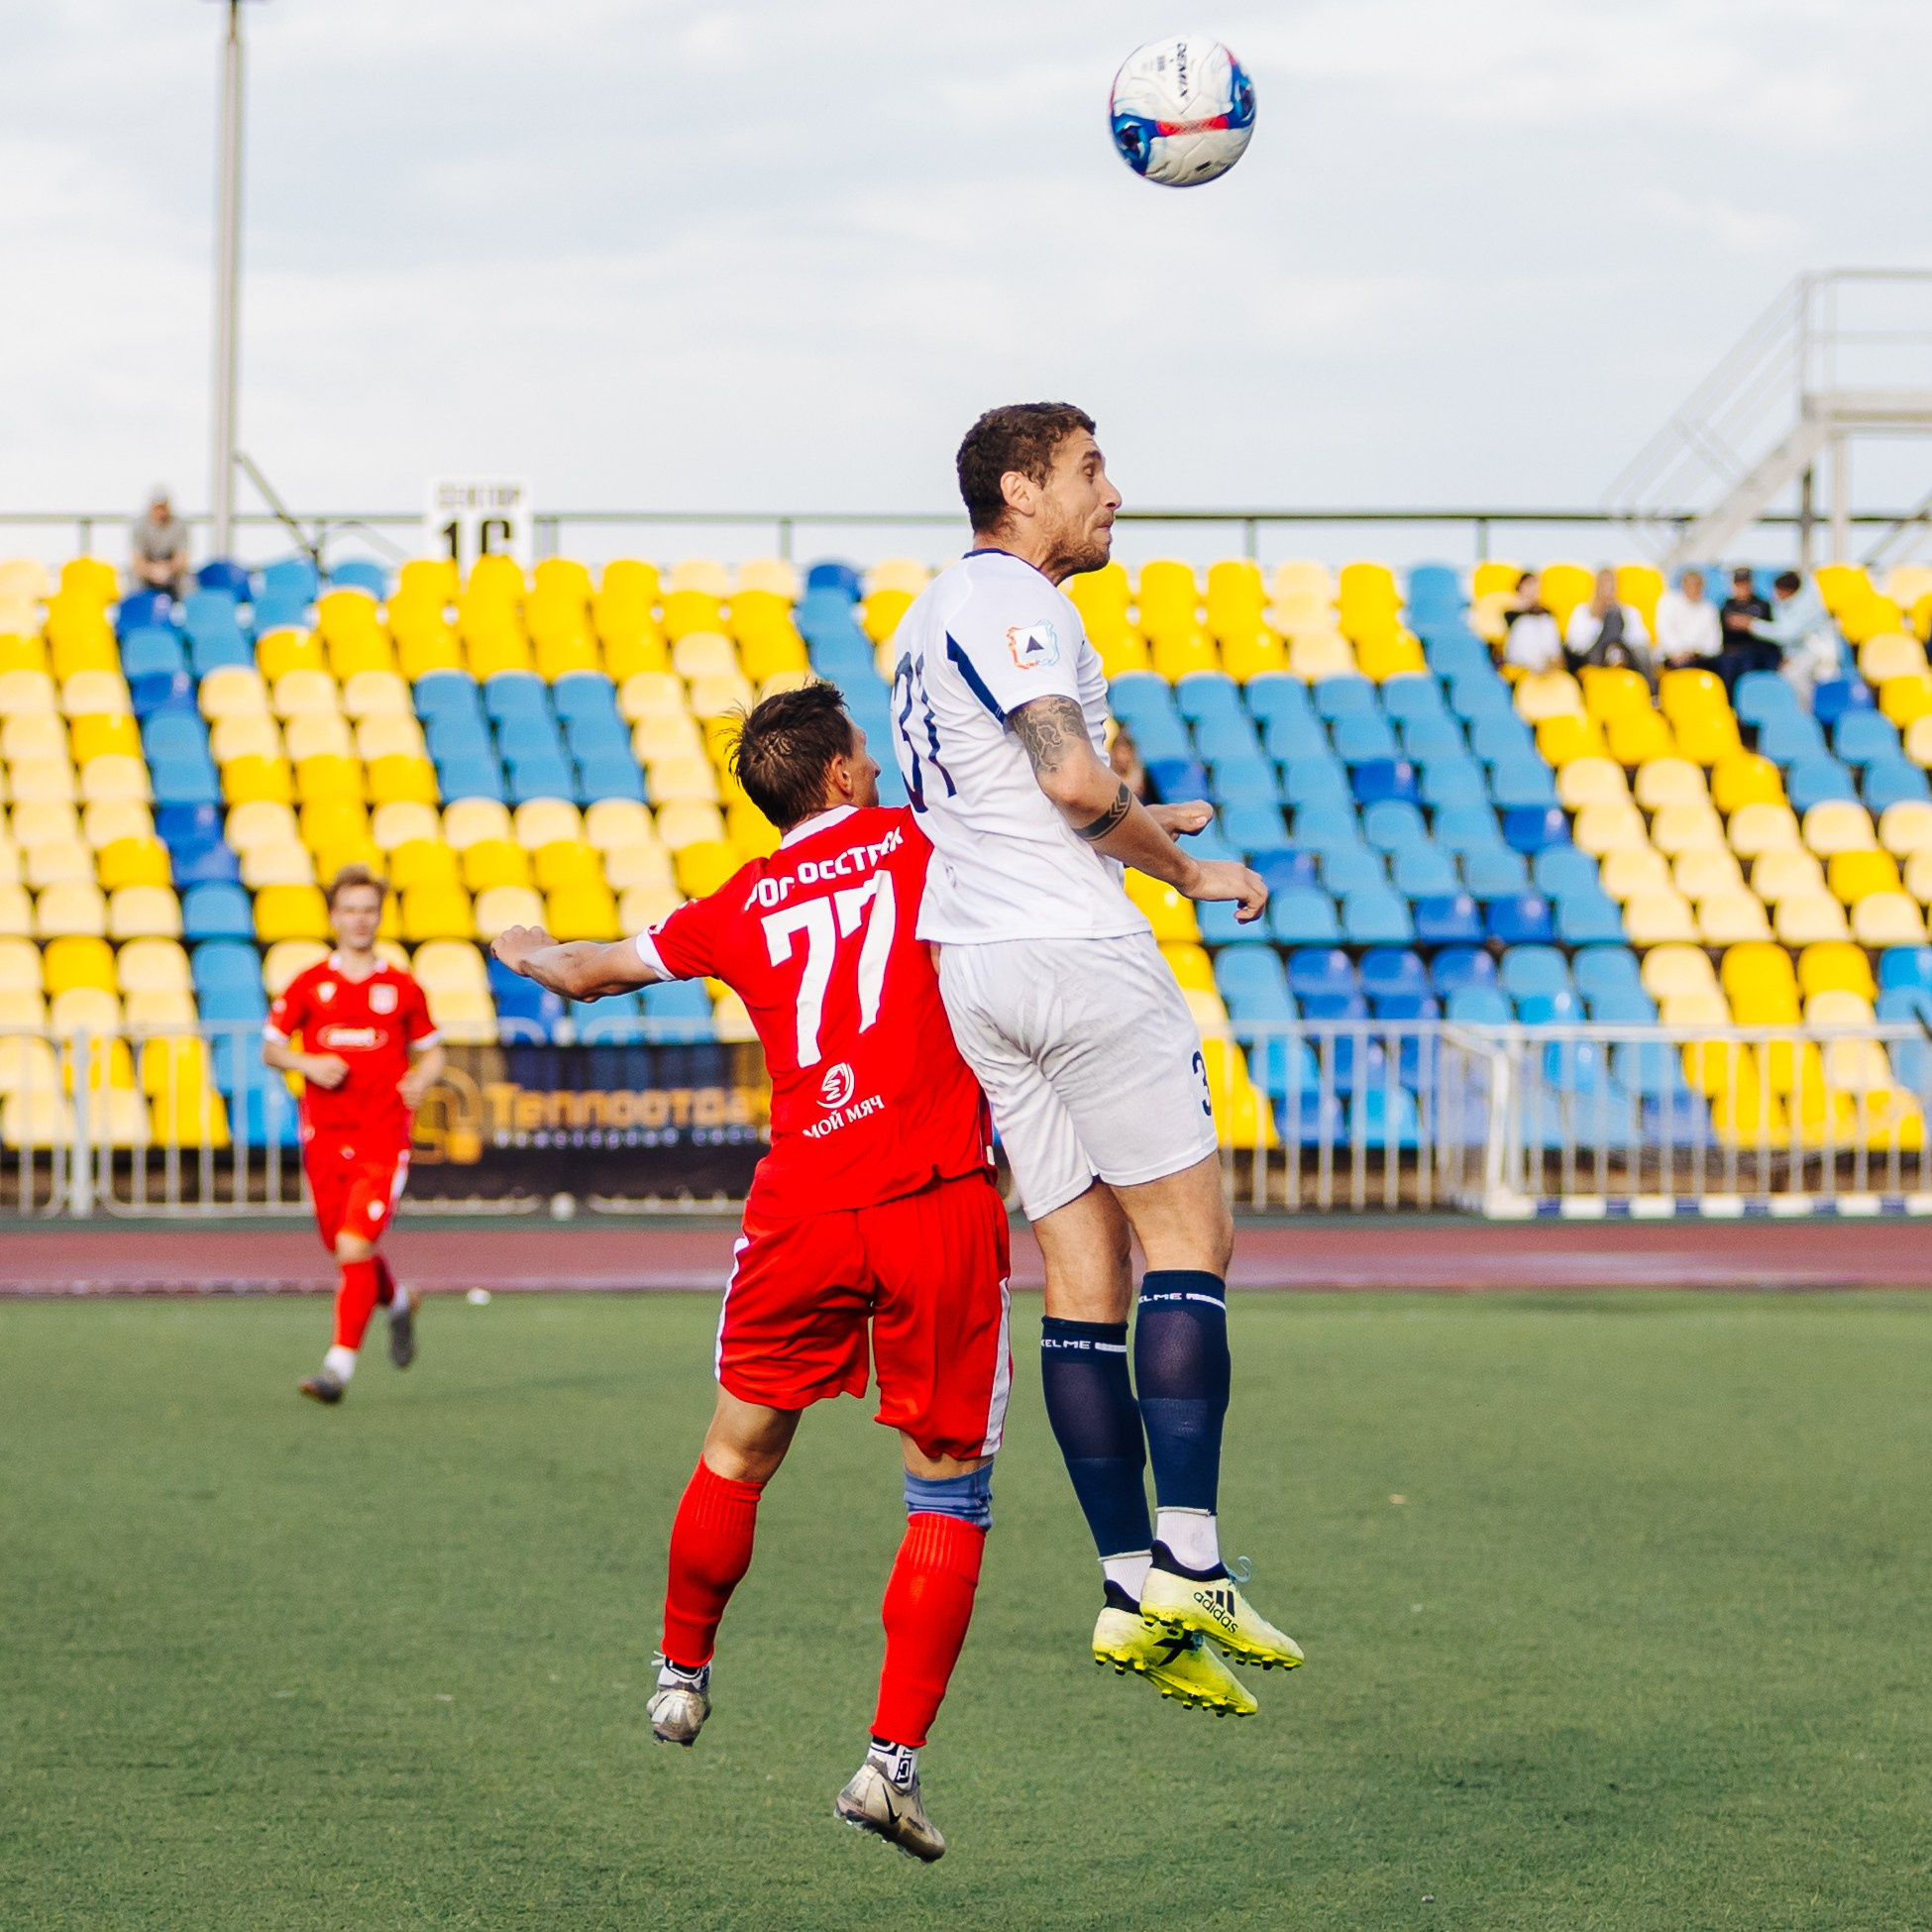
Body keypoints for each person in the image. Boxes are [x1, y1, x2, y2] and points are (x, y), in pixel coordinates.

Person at [491, 684, 1017, 1863]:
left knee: (737, 1450)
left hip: (804, 1205)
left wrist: (524, 949)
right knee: (947, 1491)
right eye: (862, 752)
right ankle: (889, 1768)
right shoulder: (925, 838)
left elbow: (589, 972)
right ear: (836, 773)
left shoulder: (741, 900)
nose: (875, 764)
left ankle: (680, 1675)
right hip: (934, 1197)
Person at [887, 401, 1302, 1721]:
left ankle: (1127, 1585)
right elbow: (1070, 782)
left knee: (1081, 1271)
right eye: (1088, 468)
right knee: (1190, 1242)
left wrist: (1138, 817)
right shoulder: (1017, 599)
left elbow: (1011, 796)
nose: (1112, 492)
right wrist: (1185, 868)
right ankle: (1193, 1562)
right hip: (1070, 951)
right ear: (1019, 488)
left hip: (978, 960)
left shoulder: (926, 616)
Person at [264, 868, 443, 1405]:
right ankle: (400, 1301)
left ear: (379, 917)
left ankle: (336, 1369)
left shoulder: (402, 987)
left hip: (382, 1139)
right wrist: (307, 1064)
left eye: (368, 909)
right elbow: (271, 1048)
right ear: (334, 917)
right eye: (350, 910)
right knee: (346, 1250)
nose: (360, 919)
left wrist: (422, 1079)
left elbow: (433, 1050)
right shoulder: (309, 984)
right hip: (323, 1139)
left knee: (353, 1245)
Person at [1755, 569, 1843, 706]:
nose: (1776, 595)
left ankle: (1804, 712)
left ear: (1790, 591)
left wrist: (1752, 625)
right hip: (1797, 653)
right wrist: (1788, 655)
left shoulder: (1809, 606)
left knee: (1795, 675)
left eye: (1780, 591)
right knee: (1784, 675)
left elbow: (1788, 634)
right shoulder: (1781, 604)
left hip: (1817, 651)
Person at [1564, 568, 1652, 677]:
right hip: (1594, 657)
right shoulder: (1582, 611)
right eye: (1603, 586)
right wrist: (1596, 618)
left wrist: (1622, 618)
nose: (1607, 591)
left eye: (1611, 586)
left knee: (1614, 617)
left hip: (1626, 658)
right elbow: (1574, 645)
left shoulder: (1628, 611)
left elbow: (1642, 641)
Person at [1715, 567, 1774, 693]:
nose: (1742, 588)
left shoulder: (1762, 604)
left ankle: (1748, 697)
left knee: (1748, 662)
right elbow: (1722, 632)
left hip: (1755, 651)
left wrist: (1749, 625)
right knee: (1726, 664)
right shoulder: (1727, 605)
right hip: (1732, 651)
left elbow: (1769, 633)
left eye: (1745, 584)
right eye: (1739, 584)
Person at [1654, 569, 1721, 670]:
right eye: (1690, 585)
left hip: (1700, 658)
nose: (1694, 589)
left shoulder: (1709, 609)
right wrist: (1679, 652)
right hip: (1671, 655)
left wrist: (1694, 652)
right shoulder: (1668, 602)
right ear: (1683, 585)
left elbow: (1714, 643)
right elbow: (1664, 632)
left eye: (1697, 585)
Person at [130, 488, 191, 598]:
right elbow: (137, 562)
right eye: (157, 508)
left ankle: (188, 608)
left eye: (163, 507)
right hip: (148, 572)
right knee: (133, 581)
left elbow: (182, 559)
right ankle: (137, 608)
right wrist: (152, 571)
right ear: (151, 507)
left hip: (172, 572)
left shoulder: (179, 524)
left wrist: (167, 570)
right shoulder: (139, 525)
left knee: (187, 582)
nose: (160, 512)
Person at [1501, 571, 1563, 674]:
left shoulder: (1545, 614)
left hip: (1546, 659)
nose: (1535, 590)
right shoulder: (1509, 613)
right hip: (1520, 661)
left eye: (1537, 586)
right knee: (1527, 623)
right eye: (1530, 584)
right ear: (1520, 586)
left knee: (1545, 622)